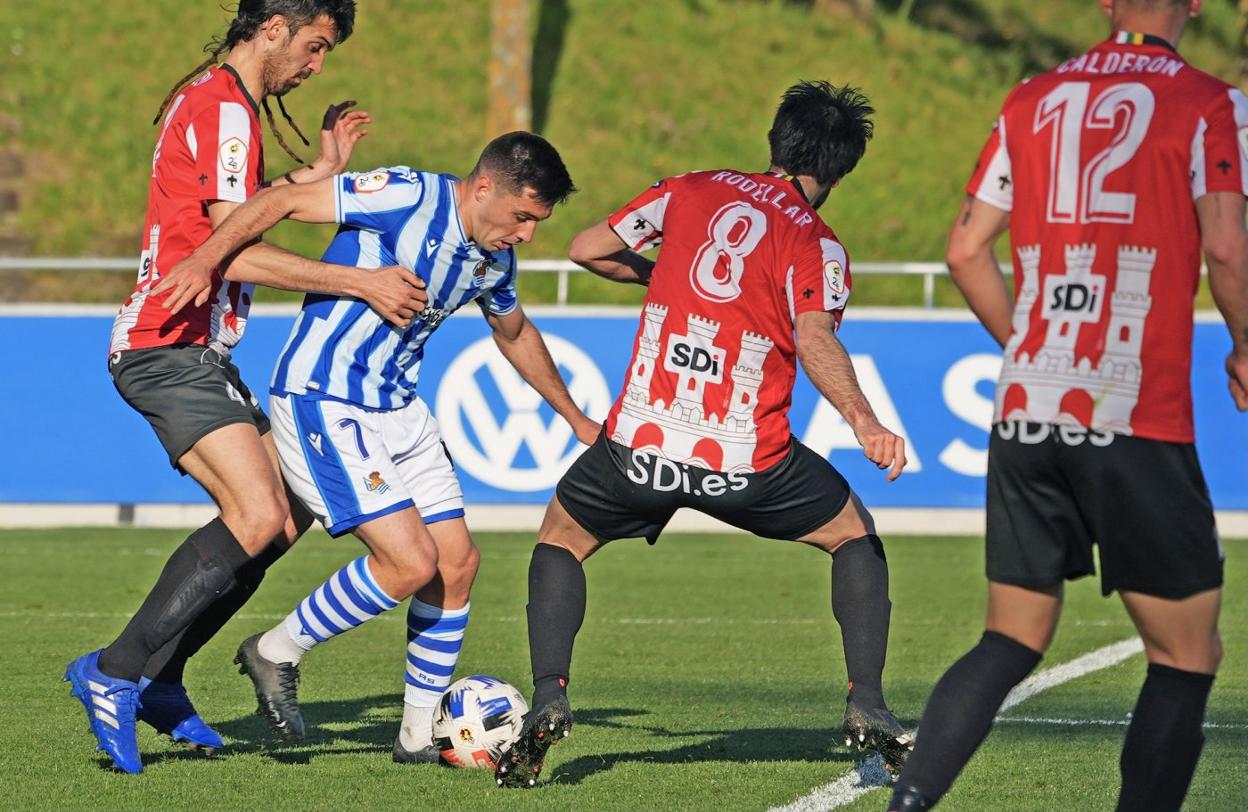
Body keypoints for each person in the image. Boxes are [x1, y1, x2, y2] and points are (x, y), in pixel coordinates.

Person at [493, 81, 912, 789]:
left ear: (775, 140)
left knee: (561, 539)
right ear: (839, 171)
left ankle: (550, 695)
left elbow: (587, 248)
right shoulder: (816, 240)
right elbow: (814, 339)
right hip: (747, 462)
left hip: (641, 446)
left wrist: (668, 277)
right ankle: (866, 704)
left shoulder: (691, 188)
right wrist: (864, 421)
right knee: (852, 535)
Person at [888, 1, 1247, 809]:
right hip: (1131, 407)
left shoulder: (1030, 97)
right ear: (1193, 4)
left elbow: (964, 248)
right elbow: (1226, 244)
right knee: (1186, 653)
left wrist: (1031, 344)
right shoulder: (1207, 101)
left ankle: (907, 804)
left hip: (1029, 403)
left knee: (1011, 635)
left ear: (1106, 2)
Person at [64, 0, 428, 775]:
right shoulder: (225, 107)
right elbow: (226, 250)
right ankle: (116, 670)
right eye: (315, 45)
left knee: (284, 518)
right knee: (258, 511)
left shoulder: (223, 104)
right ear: (273, 28)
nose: (316, 65)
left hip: (197, 349)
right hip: (168, 344)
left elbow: (231, 218)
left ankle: (160, 677)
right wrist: (358, 281)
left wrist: (315, 177)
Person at [163, 131, 601, 762]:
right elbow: (282, 204)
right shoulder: (406, 193)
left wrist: (576, 418)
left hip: (400, 411)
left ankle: (416, 735)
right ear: (484, 188)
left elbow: (514, 332)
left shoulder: (492, 261)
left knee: (456, 566)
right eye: (523, 216)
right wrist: (209, 257)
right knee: (407, 563)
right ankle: (274, 650)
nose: (527, 234)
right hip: (326, 398)